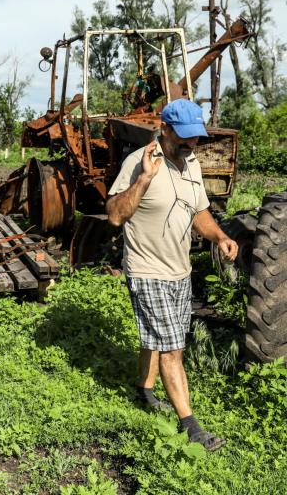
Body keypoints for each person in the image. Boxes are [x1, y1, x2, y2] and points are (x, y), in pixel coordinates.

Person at [106, 98, 238, 452]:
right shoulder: (138, 163)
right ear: (163, 129)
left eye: (195, 137)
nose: (190, 144)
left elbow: (200, 212)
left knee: (158, 336)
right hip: (148, 269)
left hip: (180, 270)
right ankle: (192, 427)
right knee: (173, 348)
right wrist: (145, 180)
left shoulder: (191, 162)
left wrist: (220, 236)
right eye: (183, 137)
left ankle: (145, 392)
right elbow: (116, 215)